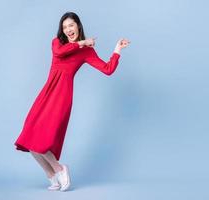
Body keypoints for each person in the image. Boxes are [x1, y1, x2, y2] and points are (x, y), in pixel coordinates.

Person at [14, 11, 130, 191]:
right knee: (29, 135)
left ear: (78, 25)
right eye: (65, 27)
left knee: (43, 138)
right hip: (47, 93)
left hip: (62, 97)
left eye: (71, 25)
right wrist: (82, 42)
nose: (68, 29)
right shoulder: (57, 43)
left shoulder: (86, 52)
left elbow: (107, 69)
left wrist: (117, 50)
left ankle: (60, 169)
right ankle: (52, 175)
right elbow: (60, 52)